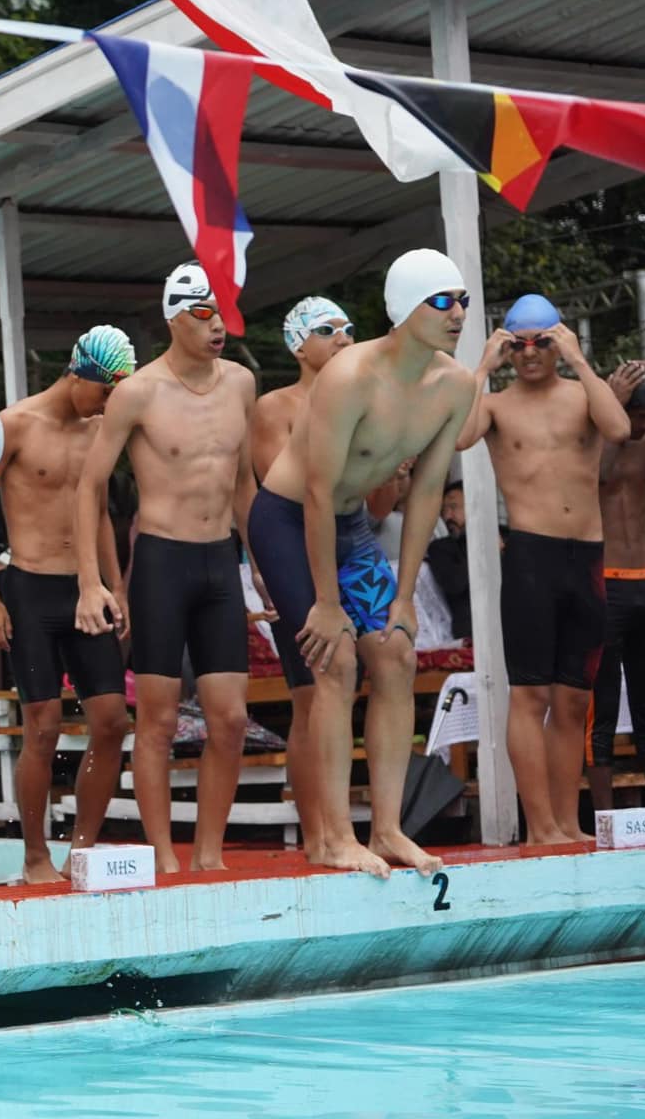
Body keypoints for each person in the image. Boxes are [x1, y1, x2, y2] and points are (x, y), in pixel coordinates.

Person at [247, 248, 480, 878]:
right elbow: (318, 491)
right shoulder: (350, 374)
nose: (458, 313)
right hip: (288, 520)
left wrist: (404, 597)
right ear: (406, 310)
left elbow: (428, 490)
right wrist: (326, 602)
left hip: (350, 527)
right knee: (337, 660)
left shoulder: (456, 385)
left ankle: (388, 829)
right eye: (442, 301)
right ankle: (332, 838)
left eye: (462, 300)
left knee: (397, 654)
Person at [75, 263, 258, 874]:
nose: (218, 326)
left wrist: (259, 565)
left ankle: (209, 852)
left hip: (219, 560)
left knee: (230, 718)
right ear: (175, 318)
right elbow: (89, 485)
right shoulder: (139, 392)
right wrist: (91, 581)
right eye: (204, 314)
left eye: (223, 312)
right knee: (156, 719)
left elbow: (245, 482)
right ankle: (162, 854)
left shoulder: (241, 385)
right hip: (161, 561)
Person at [455, 295, 631, 844]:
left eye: (542, 342)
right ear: (507, 347)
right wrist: (481, 368)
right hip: (532, 558)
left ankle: (565, 822)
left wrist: (580, 361)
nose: (531, 353)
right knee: (530, 696)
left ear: (557, 342)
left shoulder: (584, 395)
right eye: (519, 343)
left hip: (588, 561)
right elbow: (457, 437)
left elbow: (620, 428)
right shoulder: (496, 406)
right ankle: (539, 828)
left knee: (574, 699)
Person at [0, 327, 135, 884]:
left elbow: (97, 515)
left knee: (112, 720)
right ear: (77, 375)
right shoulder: (14, 424)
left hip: (86, 590)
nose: (110, 404)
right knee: (42, 727)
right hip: (29, 585)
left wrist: (117, 588)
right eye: (105, 391)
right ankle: (34, 855)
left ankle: (82, 851)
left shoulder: (100, 431)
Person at [250, 298, 356, 736]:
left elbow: (380, 507)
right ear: (298, 346)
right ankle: (313, 809)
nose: (344, 339)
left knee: (361, 678)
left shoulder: (363, 405)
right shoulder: (275, 407)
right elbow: (287, 498)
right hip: (295, 551)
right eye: (328, 331)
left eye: (348, 329)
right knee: (313, 691)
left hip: (349, 546)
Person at [590, 372, 645, 813]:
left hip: (644, 578)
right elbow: (597, 478)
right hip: (606, 581)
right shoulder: (596, 444)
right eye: (637, 417)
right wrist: (610, 406)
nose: (641, 426)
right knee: (602, 702)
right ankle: (605, 814)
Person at [425, 481, 473, 642]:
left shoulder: (504, 536)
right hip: (471, 631)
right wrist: (483, 550)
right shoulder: (440, 548)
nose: (447, 516)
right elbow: (455, 583)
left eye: (453, 507)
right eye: (444, 510)